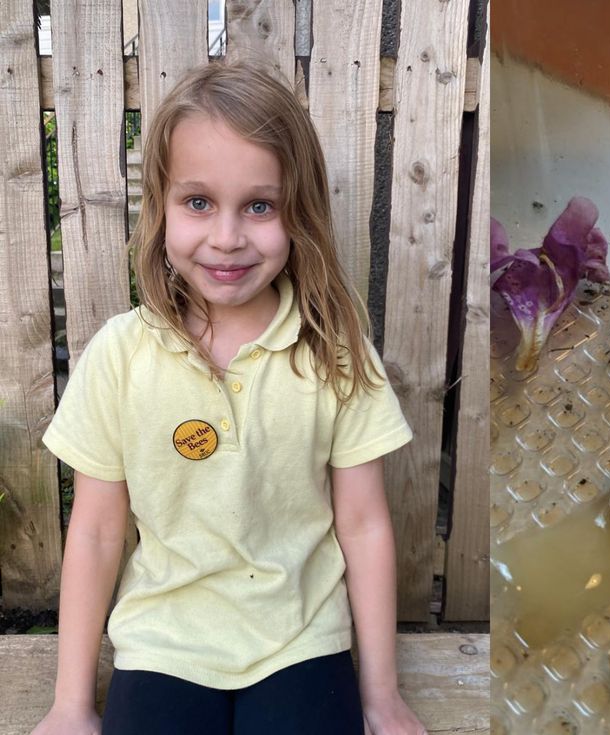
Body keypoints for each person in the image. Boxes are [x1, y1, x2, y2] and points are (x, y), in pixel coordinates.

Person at [32, 59, 427, 735]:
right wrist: (71, 704)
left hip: (299, 640)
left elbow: (363, 523)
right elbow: (96, 531)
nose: (226, 237)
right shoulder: (121, 356)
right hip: (163, 643)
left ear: (298, 213)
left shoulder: (334, 349)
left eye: (259, 205)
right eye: (197, 203)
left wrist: (381, 692)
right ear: (159, 207)